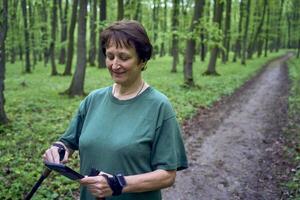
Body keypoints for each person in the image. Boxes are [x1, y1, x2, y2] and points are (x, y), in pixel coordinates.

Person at [43, 20, 188, 200]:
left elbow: (167, 175)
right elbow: (68, 142)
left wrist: (118, 184)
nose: (115, 64)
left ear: (142, 61)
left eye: (124, 57)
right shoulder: (93, 100)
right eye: (110, 56)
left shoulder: (159, 107)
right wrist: (58, 150)